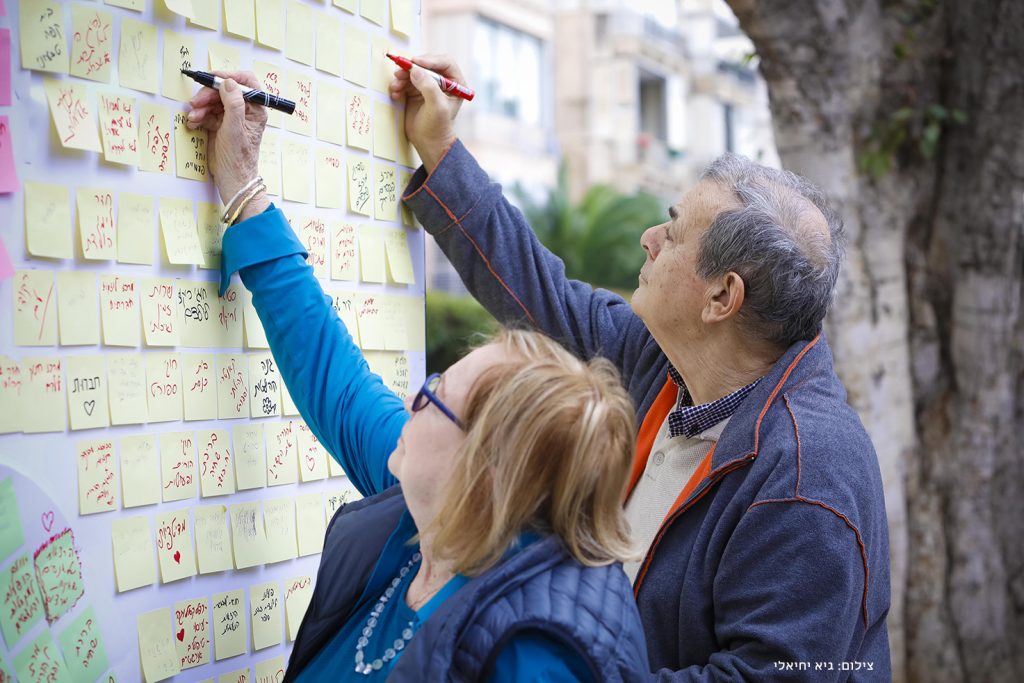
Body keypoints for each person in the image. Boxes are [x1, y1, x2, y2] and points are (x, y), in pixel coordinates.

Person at [385, 57, 893, 680]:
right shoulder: (666, 365)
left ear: (721, 298)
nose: (649, 237)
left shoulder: (808, 477)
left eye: (675, 234)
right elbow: (537, 292)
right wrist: (439, 145)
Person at [186, 74, 651, 681]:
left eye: (434, 398)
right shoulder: (443, 510)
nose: (411, 399)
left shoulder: (539, 653)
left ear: (486, 466)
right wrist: (244, 188)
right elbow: (336, 379)